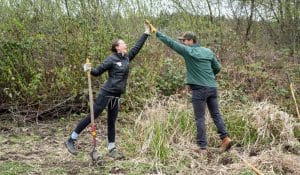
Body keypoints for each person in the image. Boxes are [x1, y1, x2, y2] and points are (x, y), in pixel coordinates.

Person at [65, 24, 151, 158]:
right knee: (92, 117)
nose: (126, 45)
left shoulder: (127, 57)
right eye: (123, 43)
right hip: (106, 93)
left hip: (116, 96)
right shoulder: (111, 59)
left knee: (112, 121)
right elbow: (98, 71)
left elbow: (137, 47)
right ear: (117, 47)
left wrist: (146, 33)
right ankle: (71, 139)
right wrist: (88, 68)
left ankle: (112, 149)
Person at [145, 22, 232, 154]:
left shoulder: (188, 51)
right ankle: (225, 138)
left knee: (200, 117)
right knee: (216, 114)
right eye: (182, 41)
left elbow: (171, 43)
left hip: (199, 89)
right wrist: (209, 76)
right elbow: (218, 67)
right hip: (212, 87)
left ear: (191, 40)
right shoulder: (208, 51)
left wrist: (155, 32)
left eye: (184, 40)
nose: (183, 42)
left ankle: (202, 147)